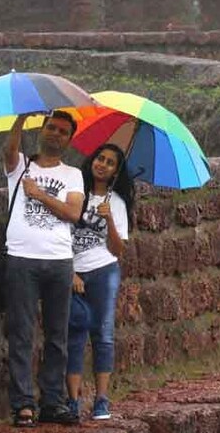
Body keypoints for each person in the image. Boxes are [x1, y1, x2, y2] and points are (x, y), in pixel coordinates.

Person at [2, 111, 85, 427]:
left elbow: (73, 212)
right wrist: (21, 119)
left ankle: (53, 402)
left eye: (63, 131)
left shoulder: (72, 175)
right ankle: (23, 403)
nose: (55, 134)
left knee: (56, 336)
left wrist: (39, 194)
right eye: (51, 127)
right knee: (22, 334)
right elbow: (8, 152)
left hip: (59, 261)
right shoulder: (21, 166)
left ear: (69, 139)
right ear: (42, 130)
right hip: (22, 259)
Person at [66, 143, 134, 421]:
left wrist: (111, 222)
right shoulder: (74, 195)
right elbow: (59, 236)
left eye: (110, 162)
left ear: (116, 171)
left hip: (103, 271)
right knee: (74, 336)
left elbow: (118, 250)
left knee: (103, 335)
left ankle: (102, 400)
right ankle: (72, 400)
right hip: (73, 272)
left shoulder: (116, 203)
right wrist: (70, 273)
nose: (102, 164)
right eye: (99, 158)